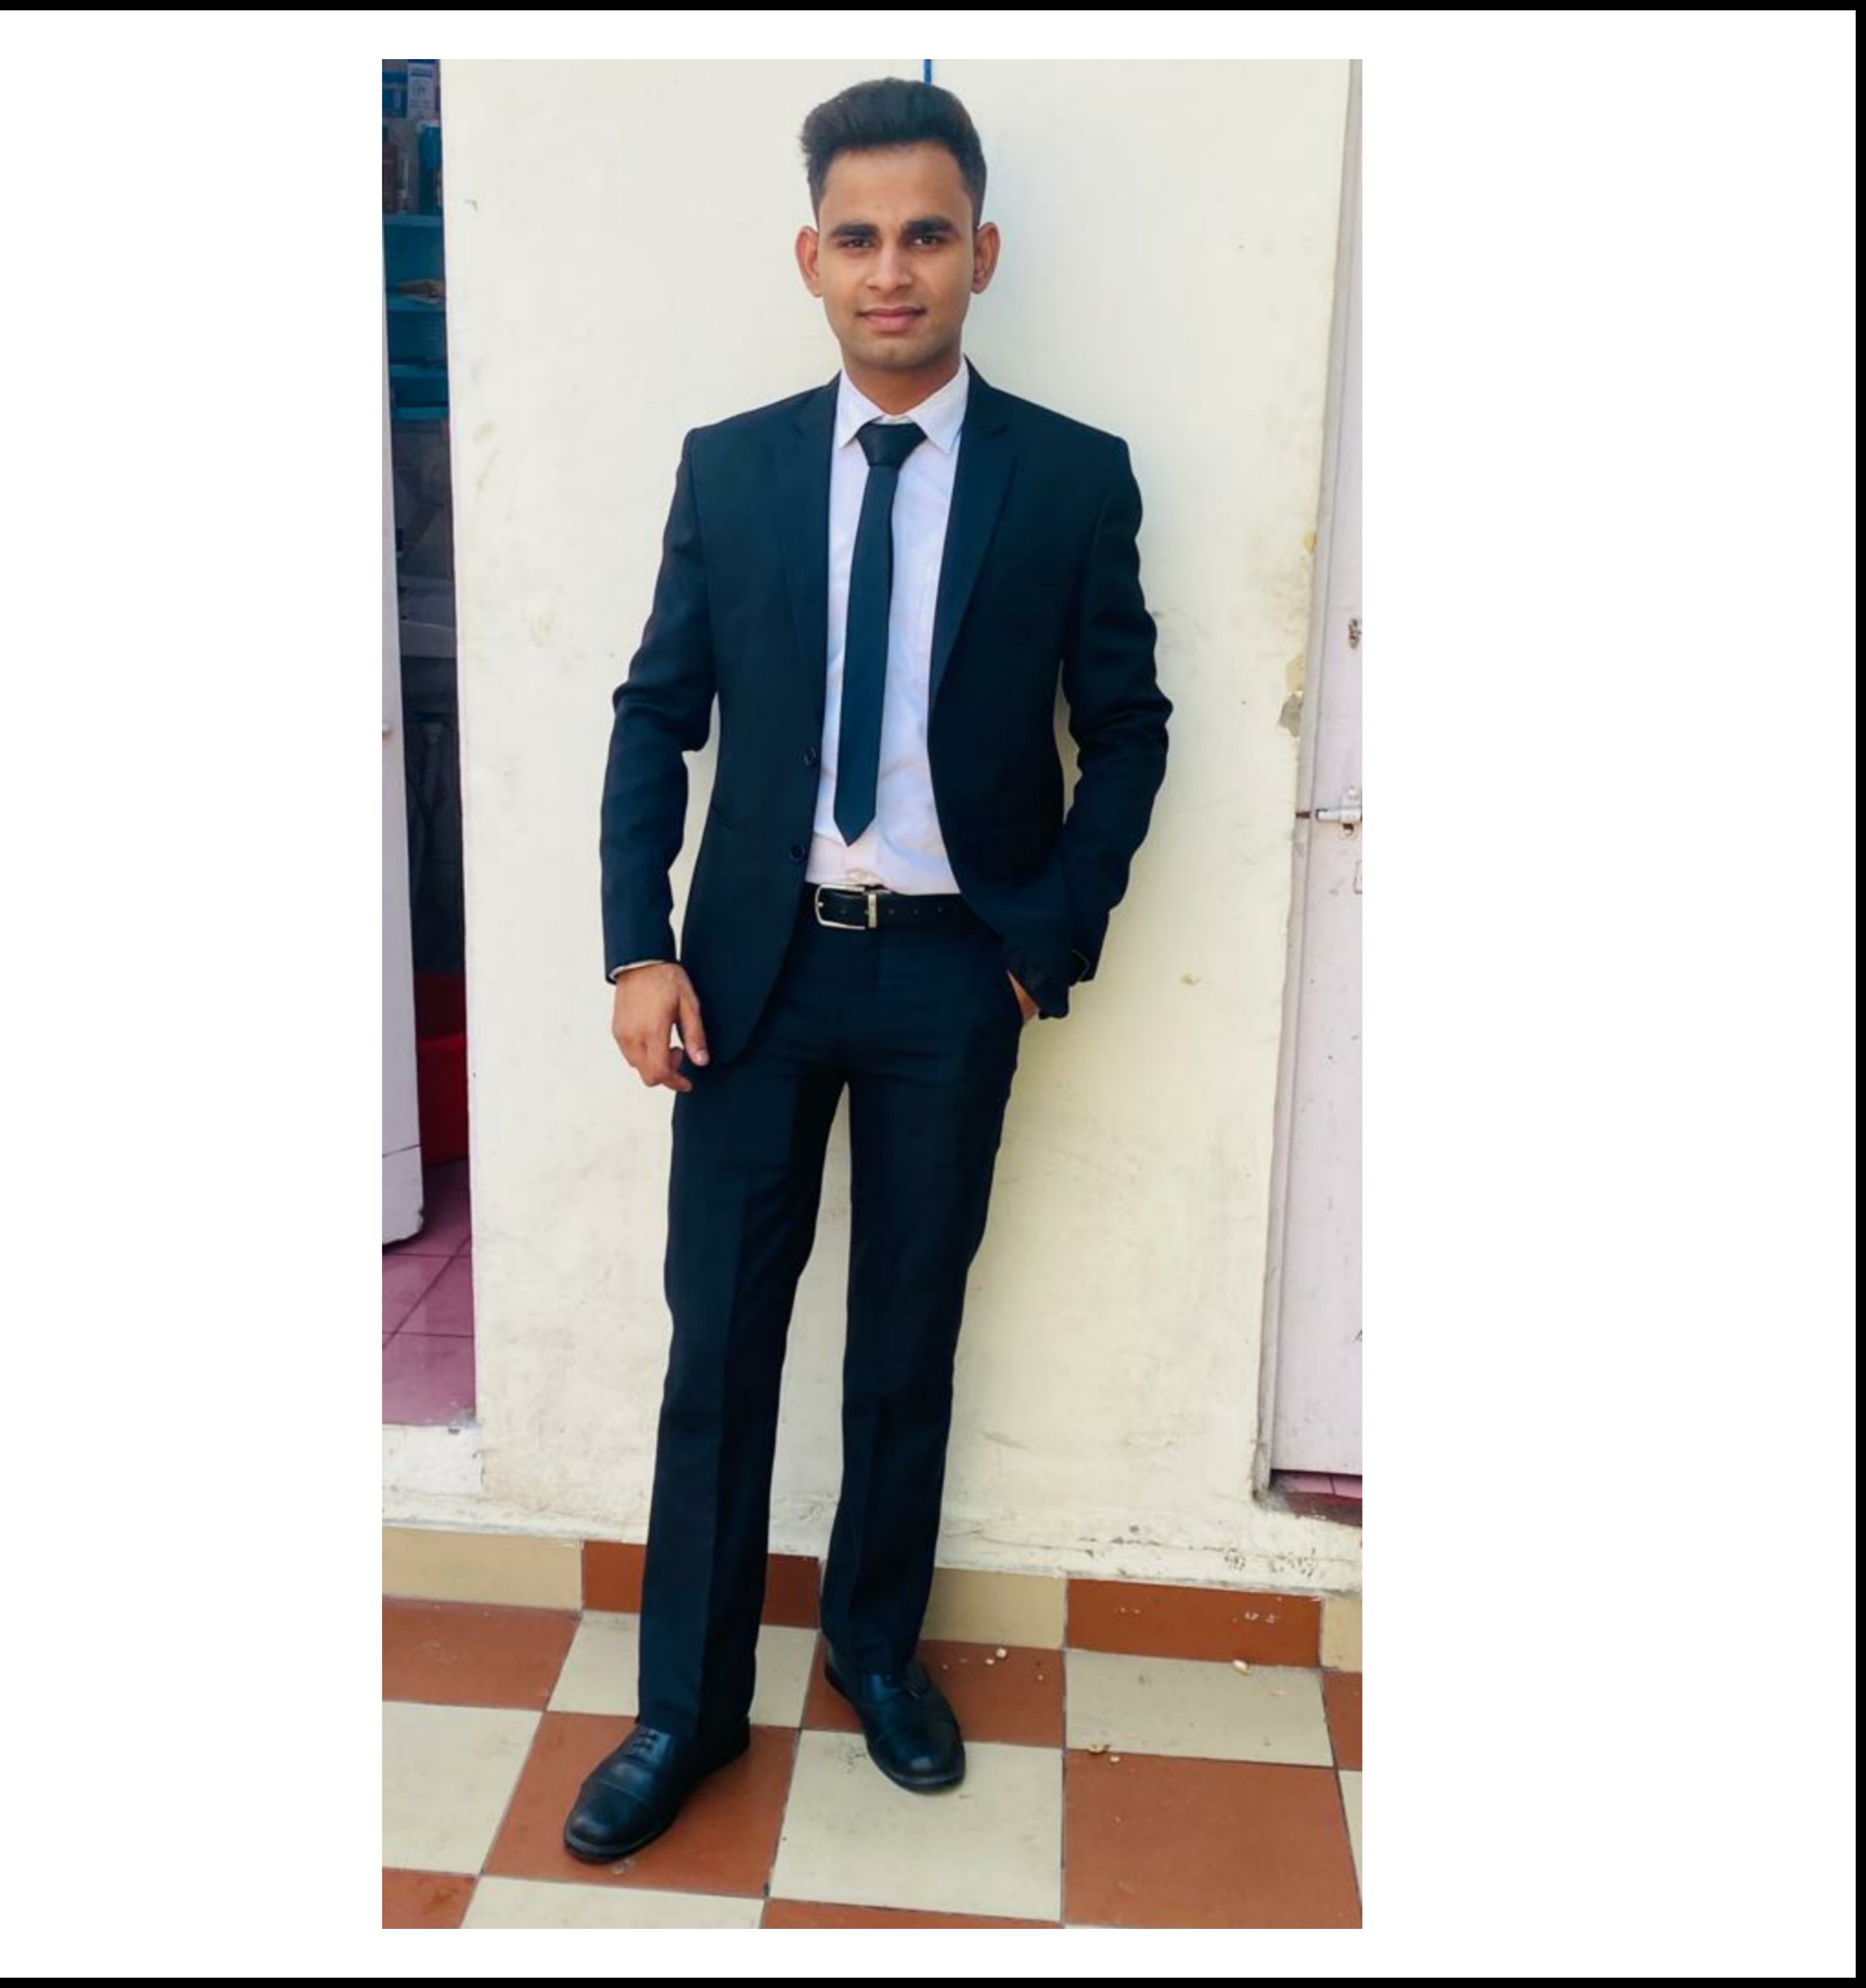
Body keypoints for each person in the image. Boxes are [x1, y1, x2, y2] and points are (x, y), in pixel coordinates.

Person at [567, 76, 1173, 1862]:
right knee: (719, 1352)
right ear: (809, 259)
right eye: (858, 238)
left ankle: (875, 1650)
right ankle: (685, 1707)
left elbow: (1129, 728)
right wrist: (636, 947)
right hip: (750, 982)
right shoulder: (733, 467)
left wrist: (1045, 937)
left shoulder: (1071, 478)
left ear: (982, 251)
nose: (890, 270)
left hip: (948, 982)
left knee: (907, 1342)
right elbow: (656, 715)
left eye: (925, 235)